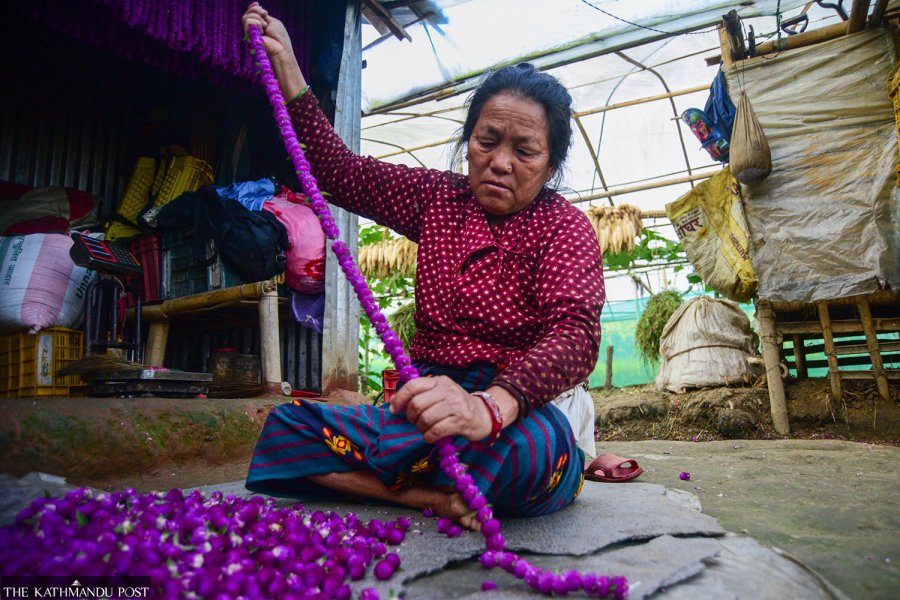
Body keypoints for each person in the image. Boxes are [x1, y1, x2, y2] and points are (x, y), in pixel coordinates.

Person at [242, 3, 604, 528]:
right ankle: (428, 498)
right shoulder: (438, 198)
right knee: (285, 425)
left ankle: (415, 476)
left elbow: (575, 334)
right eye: (487, 141)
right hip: (422, 411)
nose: (500, 161)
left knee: (535, 450)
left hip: (510, 411)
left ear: (550, 164)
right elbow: (340, 174)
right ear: (468, 141)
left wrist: (489, 407)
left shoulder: (563, 226)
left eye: (524, 151)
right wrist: (290, 69)